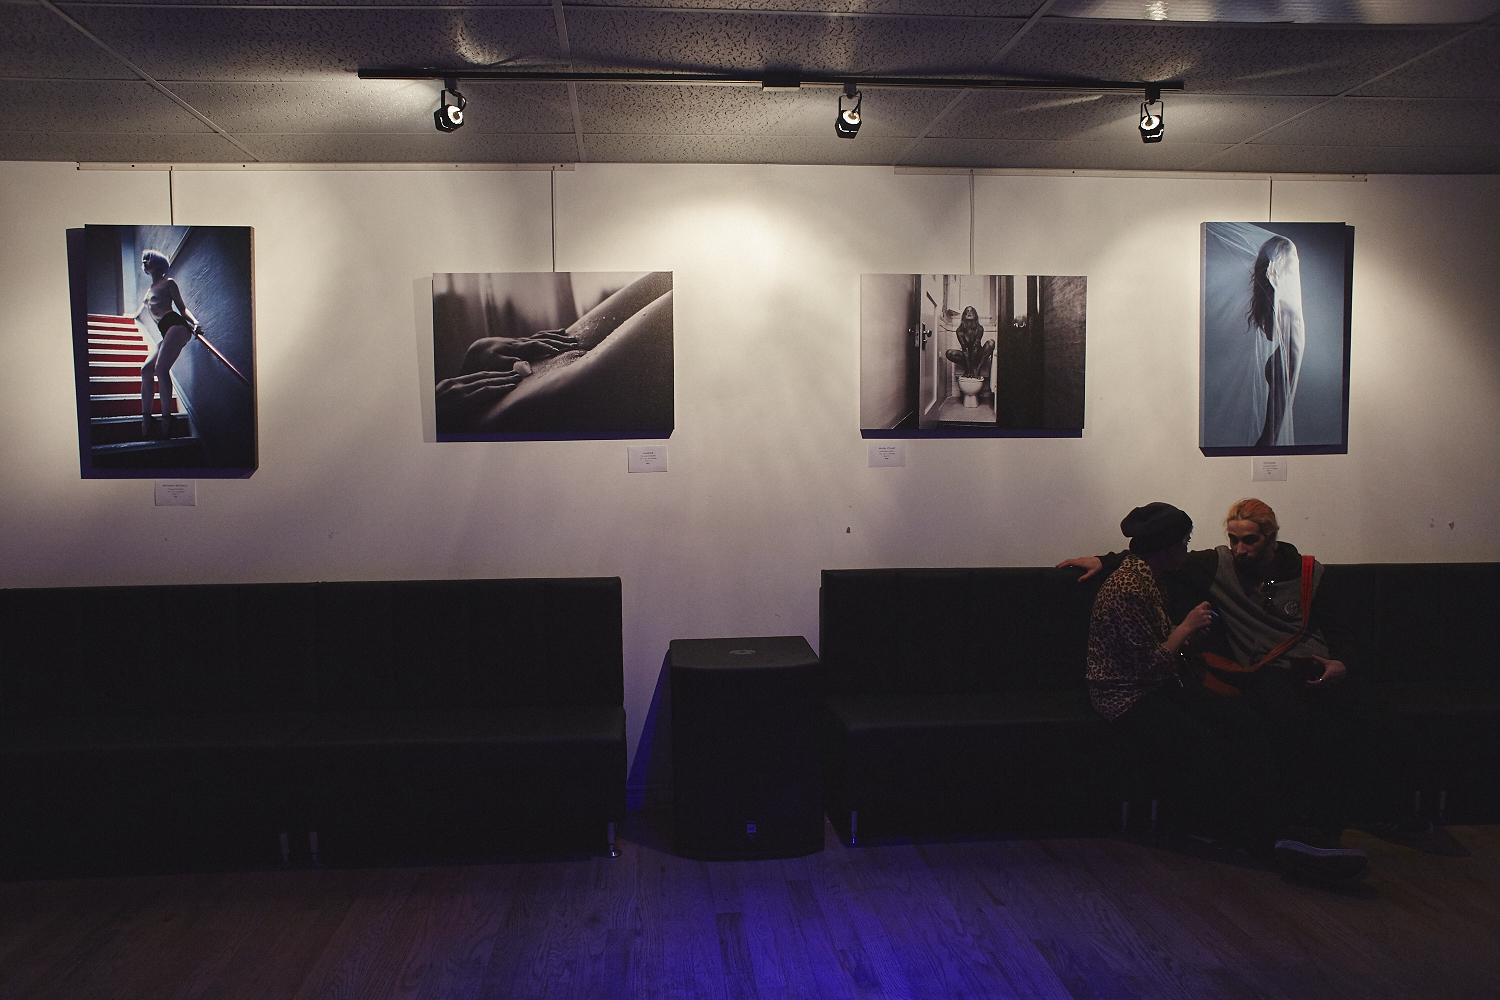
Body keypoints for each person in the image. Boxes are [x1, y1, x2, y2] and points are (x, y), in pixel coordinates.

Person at [1062, 498, 1458, 855]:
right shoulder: (1214, 564)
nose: (1239, 550)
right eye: (1233, 539)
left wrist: (1343, 664)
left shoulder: (1309, 573)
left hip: (1317, 666)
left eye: (1249, 541)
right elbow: (1148, 555)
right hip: (1261, 671)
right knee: (1281, 719)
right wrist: (1104, 560)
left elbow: (1342, 630)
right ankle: (1291, 828)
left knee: (1377, 717)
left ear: (1271, 538)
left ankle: (1385, 813)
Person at [1086, 502, 1369, 884]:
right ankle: (1265, 841)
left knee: (1246, 722)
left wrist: (1189, 635)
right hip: (1128, 697)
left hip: (1160, 682)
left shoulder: (1149, 575)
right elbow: (1146, 666)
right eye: (1184, 543)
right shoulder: (1129, 587)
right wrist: (1185, 629)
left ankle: (1285, 827)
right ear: (1168, 548)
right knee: (1215, 748)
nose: (1189, 551)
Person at [138, 250, 202, 440]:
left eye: (148, 258)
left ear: (157, 262)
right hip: (165, 331)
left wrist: (195, 323)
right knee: (146, 370)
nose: (144, 261)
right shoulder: (149, 290)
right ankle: (146, 417)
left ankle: (167, 418)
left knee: (161, 368)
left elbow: (182, 308)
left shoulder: (169, 283)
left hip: (176, 325)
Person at [1249, 236, 1305, 447]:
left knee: (1272, 436)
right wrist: (1274, 290)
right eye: (1293, 254)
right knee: (1271, 437)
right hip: (1283, 362)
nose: (1296, 259)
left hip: (1284, 360)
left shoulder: (1288, 290)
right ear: (1282, 257)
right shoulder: (1280, 292)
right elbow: (1272, 335)